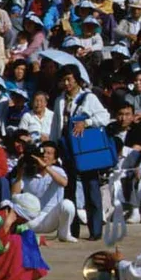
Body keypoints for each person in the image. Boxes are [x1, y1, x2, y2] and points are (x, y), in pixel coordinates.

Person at [50, 64, 110, 240]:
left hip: (84, 150)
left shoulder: (88, 98)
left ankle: (95, 229)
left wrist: (87, 123)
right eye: (64, 80)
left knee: (90, 186)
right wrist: (53, 147)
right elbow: (55, 125)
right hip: (66, 147)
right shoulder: (59, 100)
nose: (67, 83)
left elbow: (104, 117)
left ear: (77, 79)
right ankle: (72, 230)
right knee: (69, 190)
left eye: (69, 79)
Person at [12, 141, 77, 242]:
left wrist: (46, 167)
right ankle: (31, 236)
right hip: (32, 219)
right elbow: (15, 195)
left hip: (51, 217)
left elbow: (64, 183)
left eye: (49, 153)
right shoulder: (28, 172)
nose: (45, 156)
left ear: (55, 160)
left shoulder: (57, 170)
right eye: (43, 153)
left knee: (68, 205)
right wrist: (20, 172)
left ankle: (64, 234)